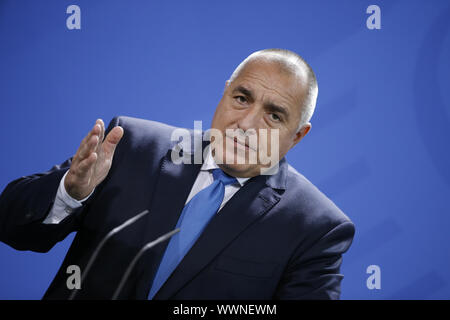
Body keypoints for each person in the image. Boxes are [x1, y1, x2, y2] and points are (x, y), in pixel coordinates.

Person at [0, 49, 355, 299]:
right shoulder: (130, 145)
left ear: (298, 136)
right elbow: (10, 225)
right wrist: (70, 193)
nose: (246, 124)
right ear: (224, 93)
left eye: (274, 115)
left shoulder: (316, 229)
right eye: (242, 98)